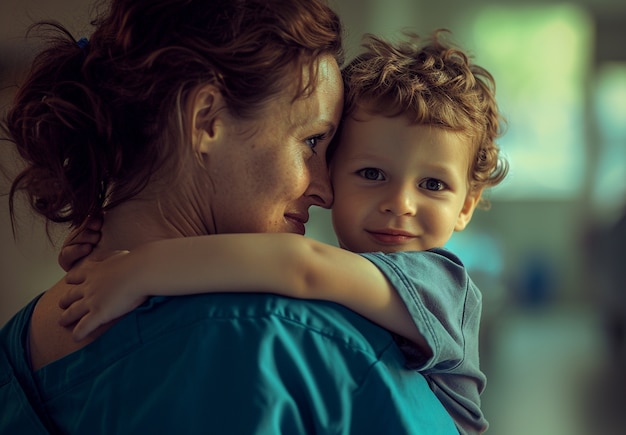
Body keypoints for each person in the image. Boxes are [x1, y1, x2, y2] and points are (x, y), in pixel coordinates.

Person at [0, 0, 459, 433]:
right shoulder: (292, 345)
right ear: (206, 120)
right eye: (312, 142)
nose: (325, 189)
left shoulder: (19, 345)